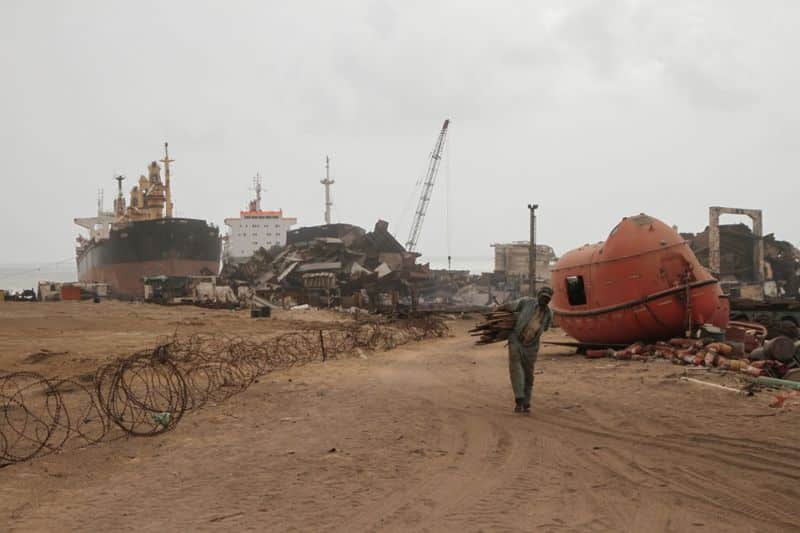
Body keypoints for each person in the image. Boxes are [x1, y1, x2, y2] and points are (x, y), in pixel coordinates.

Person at [503, 286, 553, 413]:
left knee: (529, 375)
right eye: (543, 298)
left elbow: (546, 328)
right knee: (516, 369)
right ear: (538, 296)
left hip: (532, 347)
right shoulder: (526, 302)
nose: (544, 301)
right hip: (516, 341)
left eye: (547, 299)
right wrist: (501, 308)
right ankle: (519, 399)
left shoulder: (549, 314)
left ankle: (526, 402)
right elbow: (511, 306)